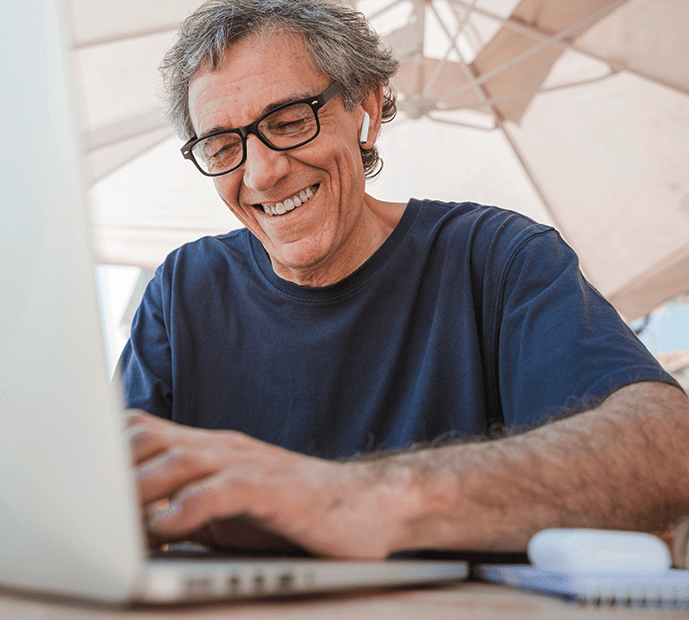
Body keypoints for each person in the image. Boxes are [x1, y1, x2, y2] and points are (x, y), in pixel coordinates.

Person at [119, 0, 689, 558]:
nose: (262, 173)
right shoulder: (182, 290)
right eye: (222, 147)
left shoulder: (497, 259)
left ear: (365, 110)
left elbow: (668, 448)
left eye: (290, 122)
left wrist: (346, 499)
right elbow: (103, 485)